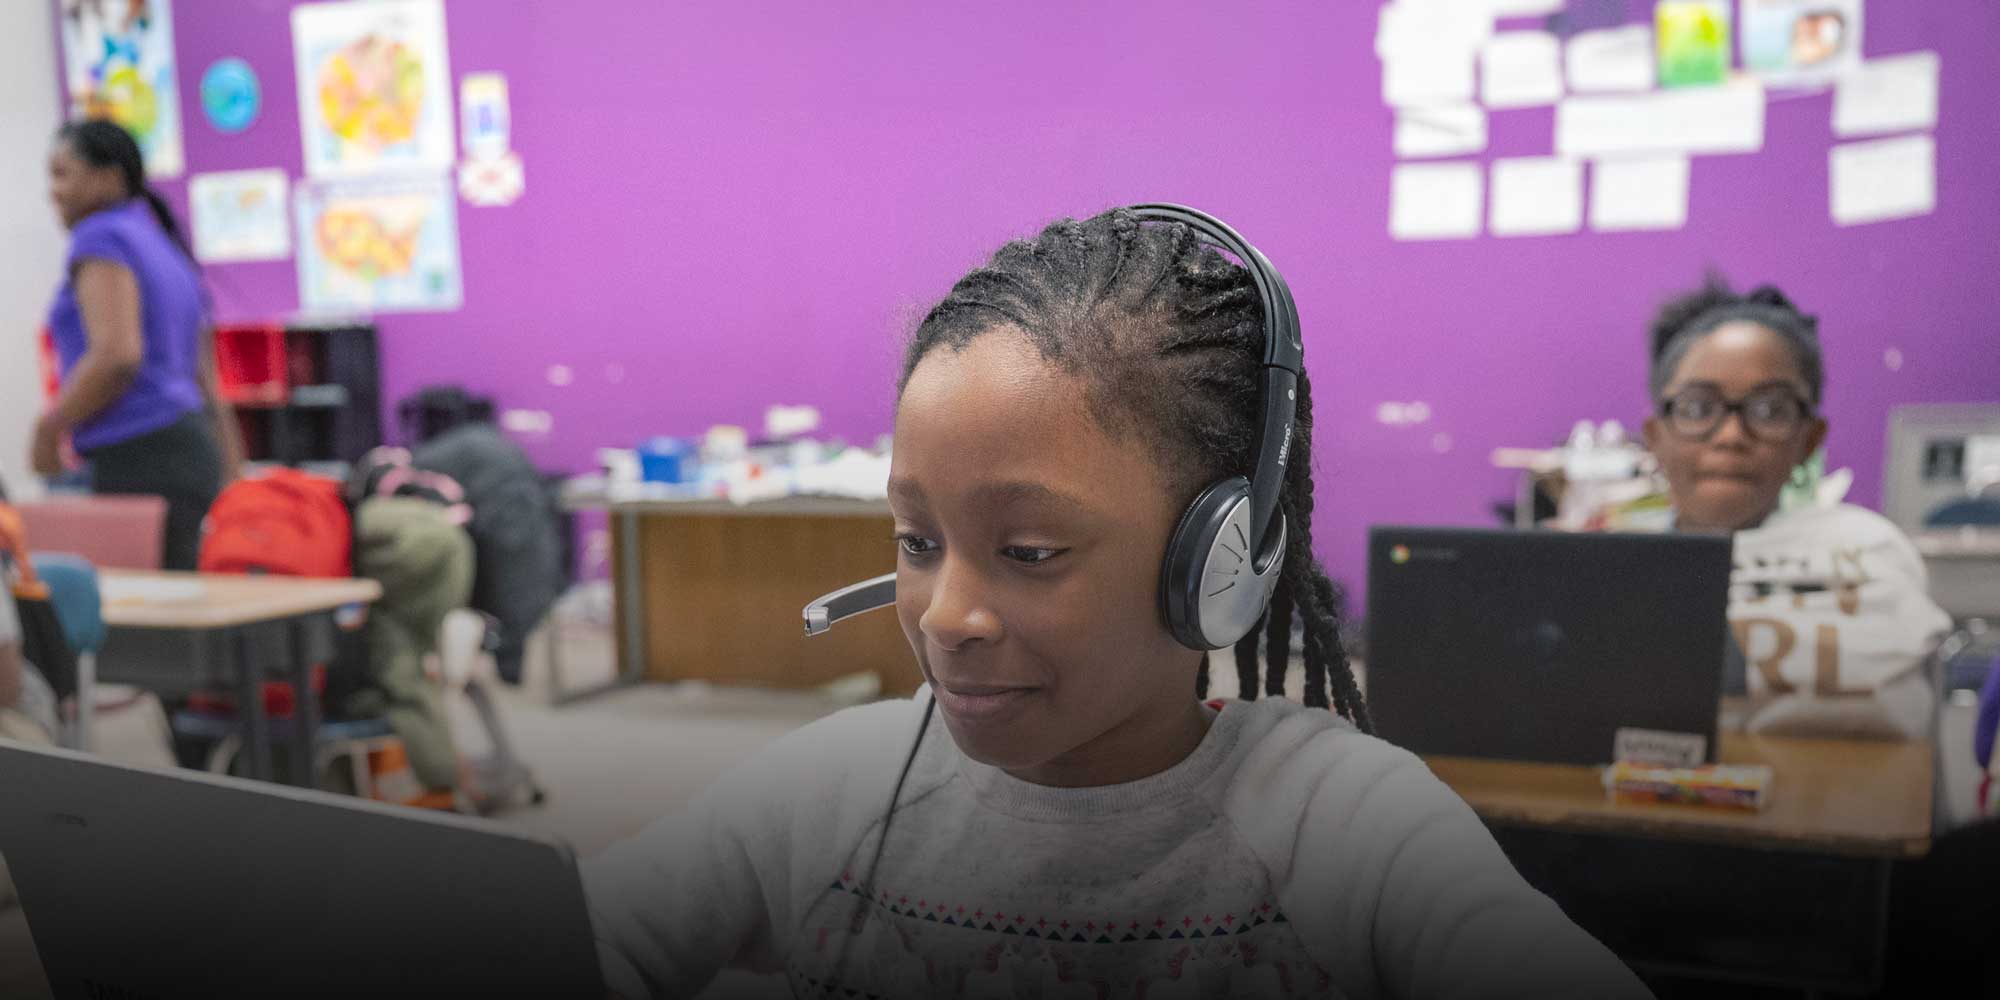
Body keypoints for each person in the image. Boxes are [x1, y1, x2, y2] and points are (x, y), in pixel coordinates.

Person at [584, 208, 1645, 998]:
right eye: (916, 541)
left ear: (1218, 563)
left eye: (1030, 551)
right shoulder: (827, 792)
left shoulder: (1343, 823)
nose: (945, 615)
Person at [1641, 278, 1950, 739]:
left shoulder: (1869, 550)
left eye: (1769, 410)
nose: (1730, 436)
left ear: (1809, 439)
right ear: (1656, 435)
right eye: (1697, 407)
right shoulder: (1612, 564)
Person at [37, 119, 242, 571]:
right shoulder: (161, 244)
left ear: (109, 178)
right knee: (188, 614)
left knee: (142, 626)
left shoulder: (100, 237)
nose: (53, 190)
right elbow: (206, 381)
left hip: (139, 459)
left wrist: (49, 428)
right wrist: (232, 468)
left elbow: (116, 356)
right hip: (191, 452)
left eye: (62, 173)